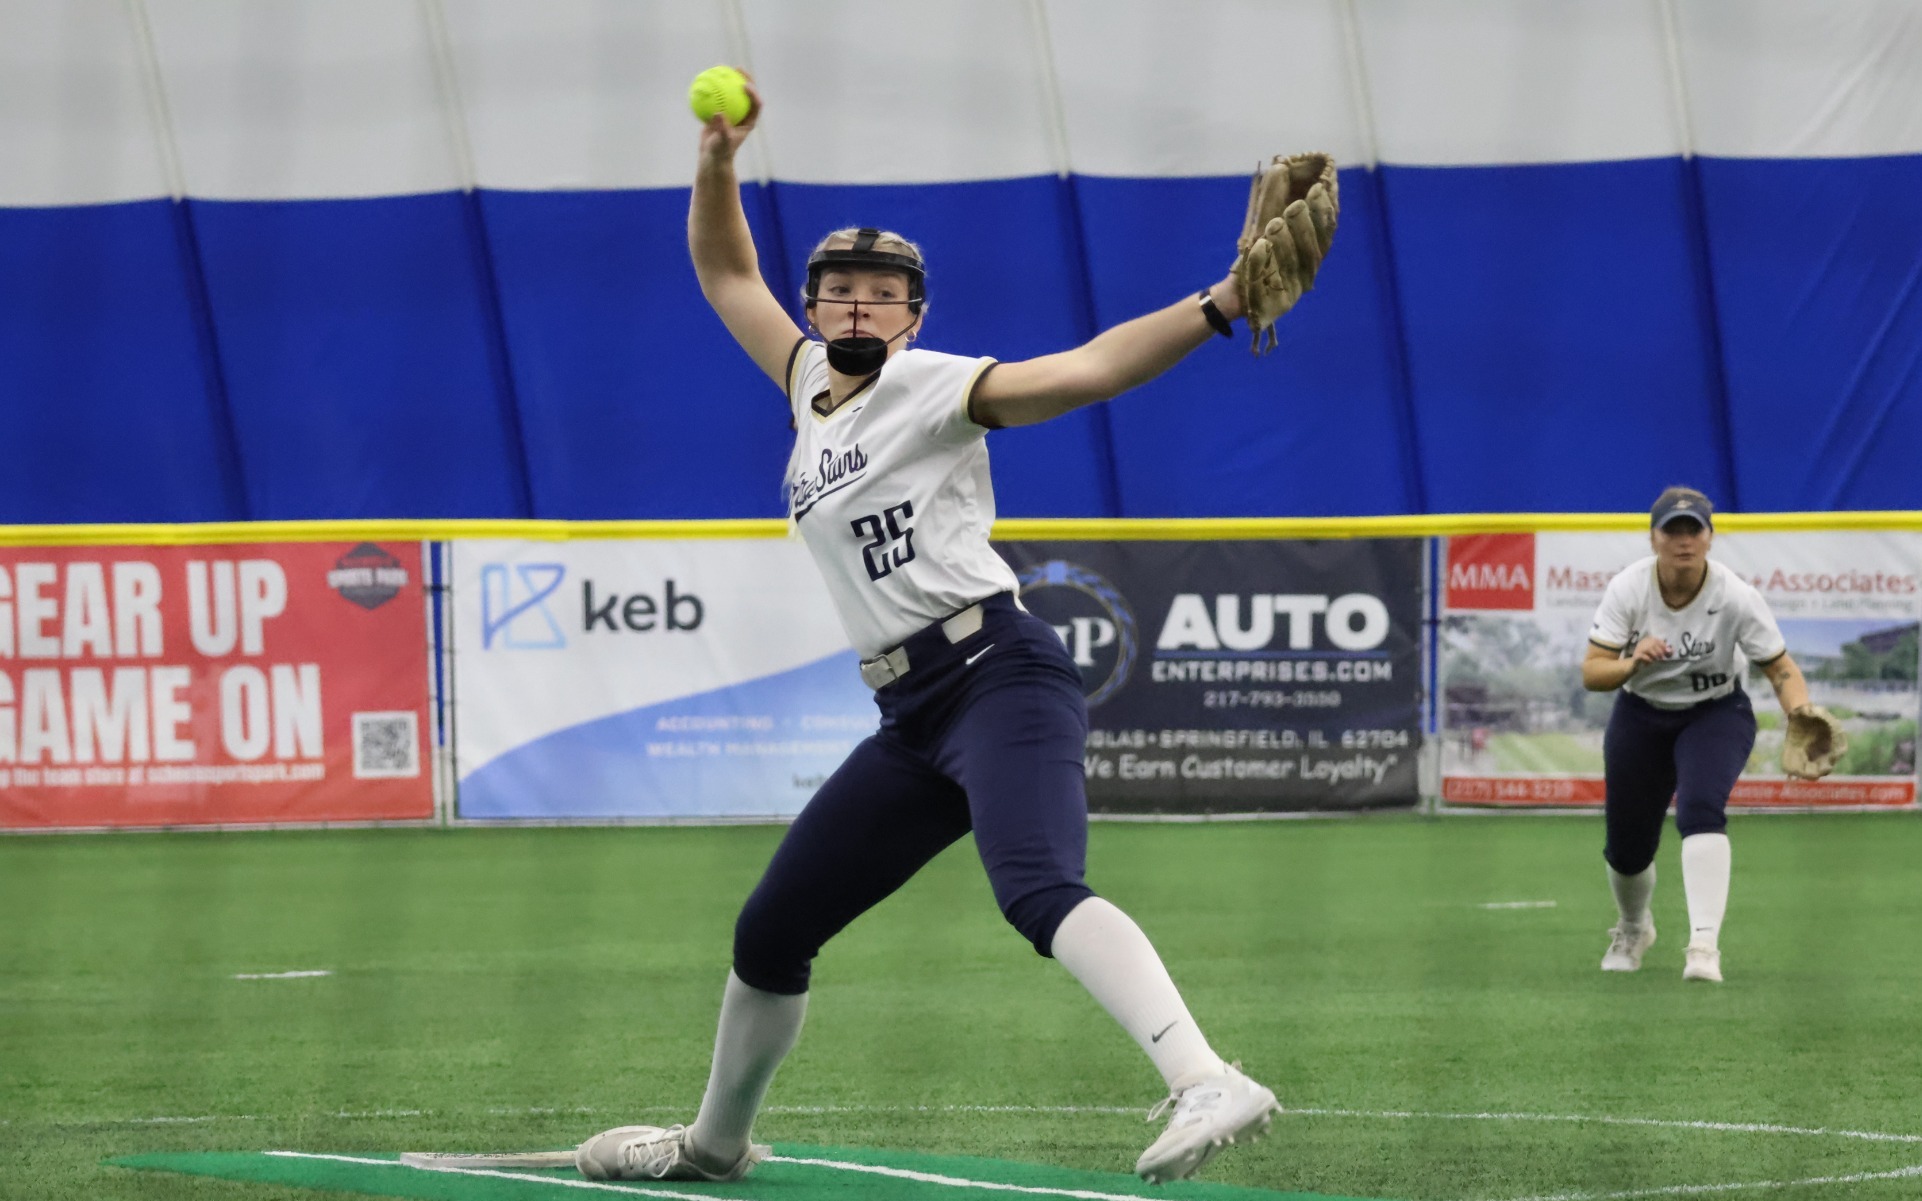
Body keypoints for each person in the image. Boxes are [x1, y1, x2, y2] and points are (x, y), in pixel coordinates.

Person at [574, 80, 1309, 1185]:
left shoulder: (927, 386)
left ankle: (1206, 1075)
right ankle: (714, 1146)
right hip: (910, 714)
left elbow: (1088, 370)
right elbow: (726, 271)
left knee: (1035, 887)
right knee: (770, 931)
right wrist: (717, 162)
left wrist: (1216, 302)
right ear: (817, 308)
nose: (857, 306)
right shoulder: (804, 381)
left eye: (882, 293)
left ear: (914, 315)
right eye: (837, 290)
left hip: (996, 674)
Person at [1580, 486, 1816, 983]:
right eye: (1673, 529)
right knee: (1627, 850)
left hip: (1714, 714)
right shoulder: (1629, 588)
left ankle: (1703, 947)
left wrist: (1801, 713)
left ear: (1710, 538)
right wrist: (1630, 660)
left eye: (1694, 529)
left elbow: (1780, 668)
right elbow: (1592, 672)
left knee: (1701, 809)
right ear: (1653, 538)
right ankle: (1632, 927)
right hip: (1641, 715)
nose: (1684, 540)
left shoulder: (1735, 595)